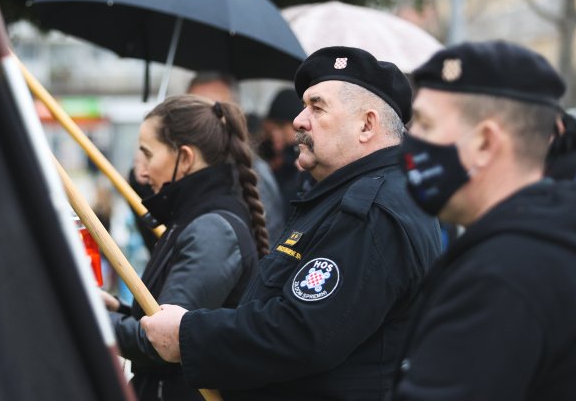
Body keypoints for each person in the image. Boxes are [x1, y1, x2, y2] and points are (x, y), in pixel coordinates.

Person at [140, 47, 442, 400]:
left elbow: (301, 332)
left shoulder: (371, 210)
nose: (299, 120)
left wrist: (188, 333)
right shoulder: (351, 196)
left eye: (317, 107)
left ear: (366, 125)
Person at [390, 41, 576, 400]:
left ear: (486, 142)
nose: (410, 143)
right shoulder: (571, 247)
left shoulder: (501, 277)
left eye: (425, 124)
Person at [106, 95, 269, 401]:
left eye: (147, 154)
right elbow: (167, 316)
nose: (141, 173)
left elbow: (164, 341)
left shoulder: (212, 230)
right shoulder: (192, 218)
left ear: (185, 157)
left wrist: (94, 320)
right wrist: (118, 310)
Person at [187, 71, 286, 245]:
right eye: (194, 111)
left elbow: (269, 248)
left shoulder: (253, 174)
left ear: (236, 114)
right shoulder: (180, 168)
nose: (203, 121)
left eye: (216, 111)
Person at [258, 88, 309, 224]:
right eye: (272, 129)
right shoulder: (268, 158)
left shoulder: (303, 164)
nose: (275, 135)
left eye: (281, 127)